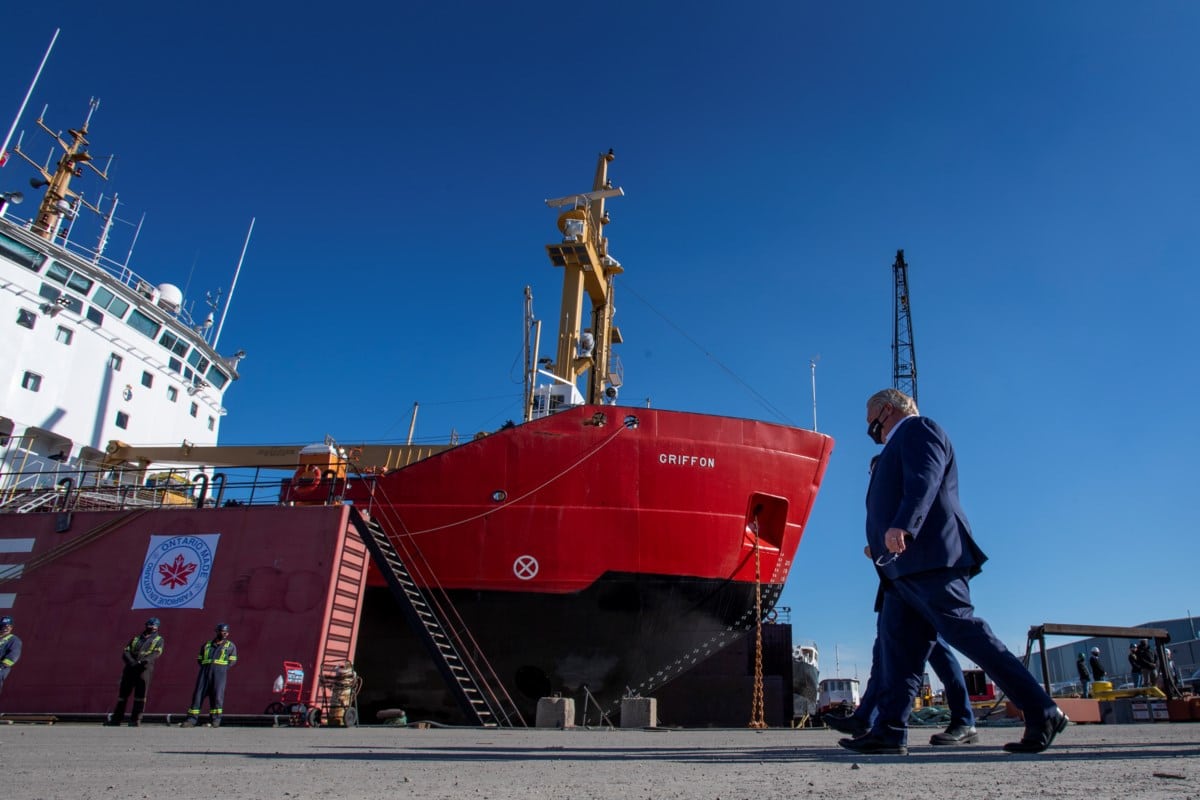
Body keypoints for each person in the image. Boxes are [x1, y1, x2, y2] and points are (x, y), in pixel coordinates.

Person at [840, 389, 1067, 756]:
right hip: (901, 568)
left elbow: (924, 481)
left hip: (930, 559)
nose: (871, 429)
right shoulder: (892, 449)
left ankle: (1042, 709)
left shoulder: (919, 430)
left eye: (871, 421)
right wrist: (881, 543)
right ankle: (889, 731)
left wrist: (903, 526)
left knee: (966, 633)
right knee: (899, 652)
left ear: (886, 409)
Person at [106, 617, 165, 727]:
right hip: (130, 668)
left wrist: (142, 662)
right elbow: (126, 651)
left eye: (154, 627)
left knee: (140, 696)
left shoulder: (159, 640)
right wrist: (132, 662)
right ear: (146, 625)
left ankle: (135, 720)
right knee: (122, 695)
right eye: (150, 626)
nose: (152, 628)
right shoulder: (136, 639)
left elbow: (156, 653)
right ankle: (116, 719)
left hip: (144, 670)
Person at [183, 623, 237, 728]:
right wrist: (206, 667)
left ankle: (215, 721)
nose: (224, 634)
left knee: (217, 696)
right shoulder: (206, 645)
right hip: (205, 671)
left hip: (219, 673)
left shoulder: (230, 646)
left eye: (226, 632)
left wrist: (222, 669)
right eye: (222, 631)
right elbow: (200, 659)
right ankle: (191, 720)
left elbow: (232, 661)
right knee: (198, 695)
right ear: (216, 631)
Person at [0, 616, 21, 697]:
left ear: (11, 627)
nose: (6, 628)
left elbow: (13, 656)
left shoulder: (14, 640)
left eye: (8, 626)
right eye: (4, 625)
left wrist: (2, 666)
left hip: (1, 669)